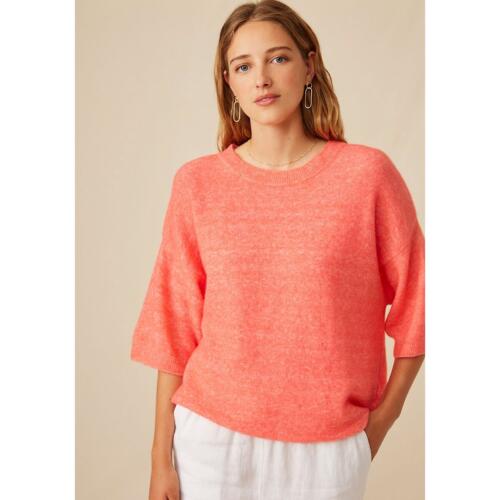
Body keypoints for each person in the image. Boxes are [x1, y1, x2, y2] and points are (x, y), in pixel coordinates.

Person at [130, 1, 425, 499]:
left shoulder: (366, 176)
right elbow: (173, 325)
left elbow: (422, 302)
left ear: (310, 65)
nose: (262, 79)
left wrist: (380, 424)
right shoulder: (198, 184)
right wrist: (161, 458)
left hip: (327, 448)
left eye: (278, 58)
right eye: (244, 66)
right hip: (210, 441)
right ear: (229, 82)